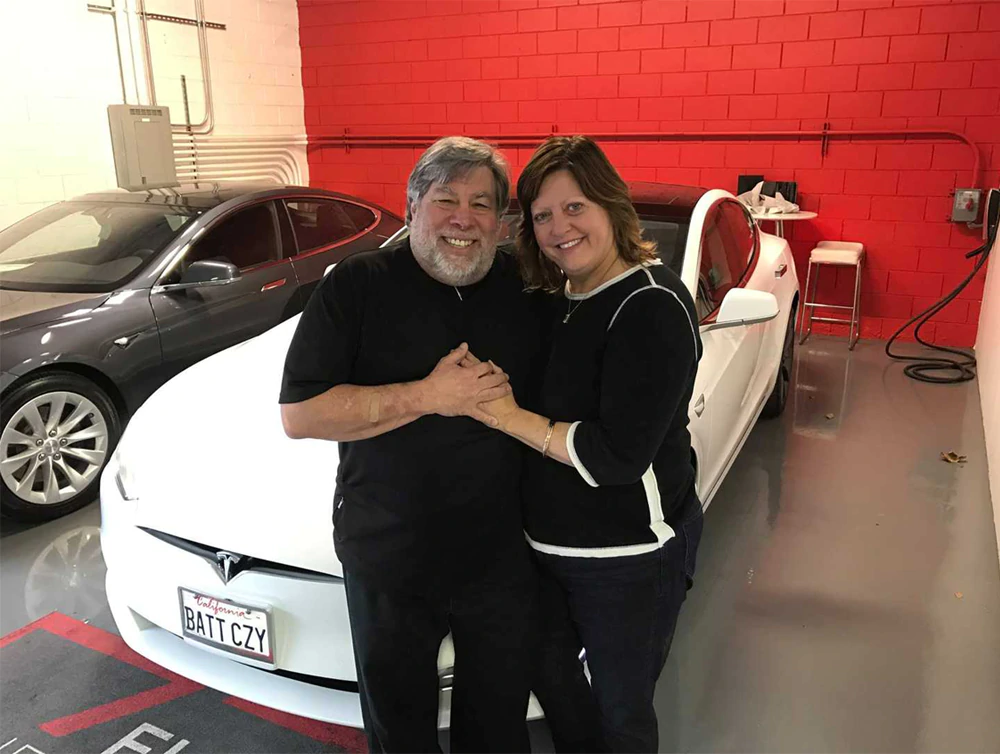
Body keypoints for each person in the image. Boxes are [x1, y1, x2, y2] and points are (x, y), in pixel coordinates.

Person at [278, 136, 545, 753]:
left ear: (501, 221)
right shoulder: (356, 285)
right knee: (400, 724)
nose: (463, 218)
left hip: (501, 553)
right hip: (388, 551)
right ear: (413, 205)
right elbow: (300, 414)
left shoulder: (525, 289)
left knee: (499, 721)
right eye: (445, 199)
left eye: (482, 205)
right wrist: (430, 396)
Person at [471, 135, 705, 753]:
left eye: (574, 208)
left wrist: (504, 416)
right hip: (544, 553)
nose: (558, 228)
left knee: (622, 710)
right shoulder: (557, 298)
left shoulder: (649, 304)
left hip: (626, 558)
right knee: (555, 682)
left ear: (610, 205)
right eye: (543, 215)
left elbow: (617, 457)